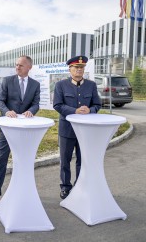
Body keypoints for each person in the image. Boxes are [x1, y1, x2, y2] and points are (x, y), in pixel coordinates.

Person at [0, 55, 40, 209]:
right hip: (7, 129)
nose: (17, 67)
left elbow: (36, 104)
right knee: (1, 160)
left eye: (21, 65)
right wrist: (7, 111)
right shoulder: (7, 81)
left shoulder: (35, 84)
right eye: (16, 65)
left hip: (25, 130)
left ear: (29, 67)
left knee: (23, 160)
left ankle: (23, 193)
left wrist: (31, 111)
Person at [53, 55, 101, 199]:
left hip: (85, 131)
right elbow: (57, 105)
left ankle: (80, 185)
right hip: (67, 130)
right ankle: (65, 187)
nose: (79, 70)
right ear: (70, 69)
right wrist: (74, 111)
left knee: (82, 160)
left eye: (82, 67)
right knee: (65, 160)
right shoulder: (60, 85)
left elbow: (97, 105)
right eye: (76, 67)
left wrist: (90, 110)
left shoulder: (91, 85)